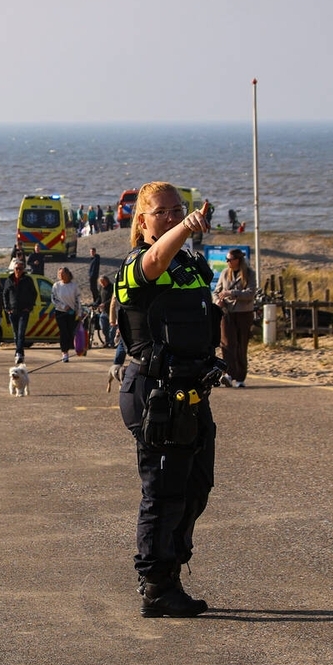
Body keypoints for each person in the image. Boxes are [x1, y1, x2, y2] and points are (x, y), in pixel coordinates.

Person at [115, 182, 223, 617]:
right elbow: (155, 260)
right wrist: (187, 228)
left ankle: (171, 570)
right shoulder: (138, 264)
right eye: (161, 212)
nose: (172, 217)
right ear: (142, 220)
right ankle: (156, 586)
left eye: (178, 210)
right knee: (163, 494)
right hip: (156, 396)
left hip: (191, 393)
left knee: (196, 488)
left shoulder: (189, 265)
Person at [214, 248, 258, 388]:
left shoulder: (249, 274)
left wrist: (231, 293)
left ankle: (240, 377)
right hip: (227, 312)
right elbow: (216, 291)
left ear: (238, 260)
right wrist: (218, 301)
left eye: (230, 259)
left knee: (241, 345)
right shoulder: (224, 273)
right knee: (227, 344)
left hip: (244, 313)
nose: (227, 262)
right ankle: (228, 373)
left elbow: (250, 293)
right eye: (226, 259)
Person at [2, 261, 38, 363]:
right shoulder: (9, 280)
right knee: (15, 333)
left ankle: (18, 353)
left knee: (21, 333)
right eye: (17, 268)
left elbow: (34, 294)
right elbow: (5, 295)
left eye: (20, 269)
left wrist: (29, 307)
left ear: (23, 270)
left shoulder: (28, 280)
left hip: (23, 311)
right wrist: (7, 308)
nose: (18, 271)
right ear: (14, 269)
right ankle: (20, 353)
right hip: (12, 311)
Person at [52, 266, 80, 361]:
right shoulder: (56, 285)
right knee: (63, 332)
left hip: (71, 313)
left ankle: (70, 347)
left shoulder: (74, 286)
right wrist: (64, 306)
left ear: (68, 274)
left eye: (63, 274)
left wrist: (79, 312)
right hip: (60, 312)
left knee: (70, 331)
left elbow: (78, 300)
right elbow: (54, 299)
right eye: (59, 274)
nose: (61, 275)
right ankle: (64, 353)